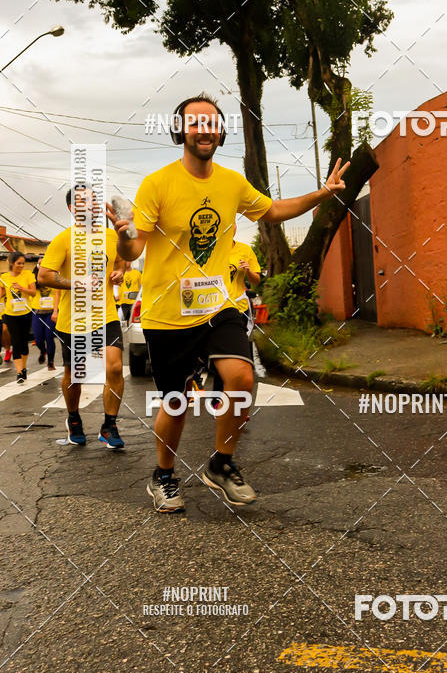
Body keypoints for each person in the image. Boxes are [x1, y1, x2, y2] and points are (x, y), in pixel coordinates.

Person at [107, 92, 349, 514]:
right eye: (195, 122)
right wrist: (126, 235)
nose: (204, 129)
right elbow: (133, 252)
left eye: (211, 122)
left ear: (220, 132)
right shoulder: (157, 184)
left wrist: (322, 194)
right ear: (180, 130)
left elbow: (271, 210)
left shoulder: (232, 181)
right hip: (169, 313)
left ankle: (221, 462)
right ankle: (163, 474)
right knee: (175, 402)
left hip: (220, 306)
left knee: (239, 377)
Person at [39, 185, 126, 449]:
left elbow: (122, 260)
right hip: (72, 319)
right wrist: (78, 283)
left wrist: (119, 272)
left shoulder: (111, 237)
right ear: (71, 209)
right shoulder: (63, 239)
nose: (90, 205)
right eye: (82, 201)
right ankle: (74, 418)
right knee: (73, 375)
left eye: (93, 200)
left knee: (114, 367)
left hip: (106, 315)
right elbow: (44, 276)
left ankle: (109, 427)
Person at [0, 252, 36, 383]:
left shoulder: (28, 275)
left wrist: (21, 288)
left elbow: (33, 292)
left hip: (26, 312)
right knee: (15, 341)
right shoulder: (4, 277)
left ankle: (24, 367)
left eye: (23, 263)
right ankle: (19, 373)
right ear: (11, 263)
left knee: (23, 342)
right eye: (18, 263)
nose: (21, 266)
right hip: (10, 314)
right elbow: (2, 293)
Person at [229, 226, 261, 337]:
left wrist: (248, 271)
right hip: (215, 309)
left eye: (233, 224)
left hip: (239, 308)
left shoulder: (245, 250)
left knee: (238, 346)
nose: (230, 228)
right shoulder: (210, 249)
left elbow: (256, 280)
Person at [31, 255, 58, 371]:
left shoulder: (56, 276)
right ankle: (43, 350)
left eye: (44, 263)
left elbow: (58, 294)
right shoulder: (33, 277)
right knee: (38, 337)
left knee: (49, 337)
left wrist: (56, 311)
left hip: (50, 312)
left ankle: (51, 361)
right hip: (37, 312)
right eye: (39, 264)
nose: (41, 266)